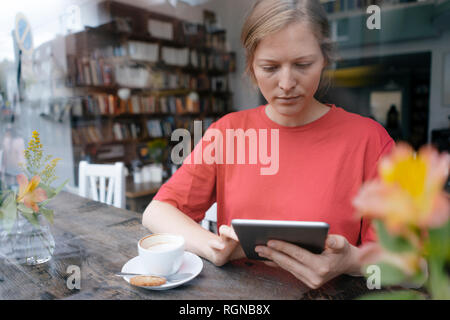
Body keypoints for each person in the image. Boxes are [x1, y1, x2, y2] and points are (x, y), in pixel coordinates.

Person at [142, 0, 395, 289]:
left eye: (303, 65)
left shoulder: (369, 140)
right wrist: (214, 248)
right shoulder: (228, 132)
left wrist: (351, 261)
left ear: (325, 59)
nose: (286, 83)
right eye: (270, 67)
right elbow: (157, 211)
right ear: (251, 65)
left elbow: (414, 267)